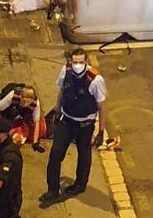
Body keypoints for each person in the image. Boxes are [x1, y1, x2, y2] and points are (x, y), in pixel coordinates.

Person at [39, 48, 106, 208]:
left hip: (85, 124)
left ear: (86, 62)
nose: (77, 65)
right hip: (66, 121)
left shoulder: (95, 80)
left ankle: (80, 184)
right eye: (74, 62)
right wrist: (56, 110)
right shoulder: (66, 71)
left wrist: (101, 131)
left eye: (80, 62)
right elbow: (62, 91)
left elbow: (102, 107)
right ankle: (53, 190)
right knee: (55, 155)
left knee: (84, 154)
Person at [0, 85, 46, 152]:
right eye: (23, 101)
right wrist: (1, 127)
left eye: (28, 102)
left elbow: (36, 122)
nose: (25, 104)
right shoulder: (13, 96)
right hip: (8, 115)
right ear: (20, 96)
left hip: (21, 119)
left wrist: (35, 142)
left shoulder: (35, 103)